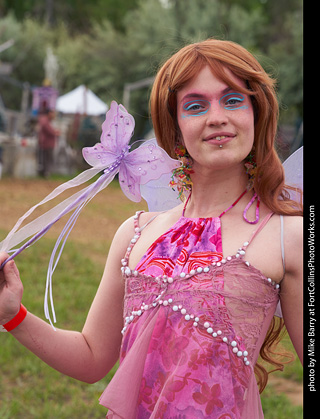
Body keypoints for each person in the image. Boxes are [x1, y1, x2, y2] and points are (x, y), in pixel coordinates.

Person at [0, 39, 303, 418]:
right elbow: (92, 358)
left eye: (233, 100)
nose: (217, 117)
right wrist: (13, 314)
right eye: (195, 106)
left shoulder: (289, 235)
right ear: (174, 128)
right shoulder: (135, 234)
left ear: (256, 114)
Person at [37, 108, 60, 177]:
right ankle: (46, 173)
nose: (54, 115)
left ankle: (44, 172)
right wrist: (55, 132)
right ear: (49, 113)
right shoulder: (45, 120)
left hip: (46, 142)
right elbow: (49, 130)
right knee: (47, 158)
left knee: (45, 158)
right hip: (46, 143)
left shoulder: (46, 120)